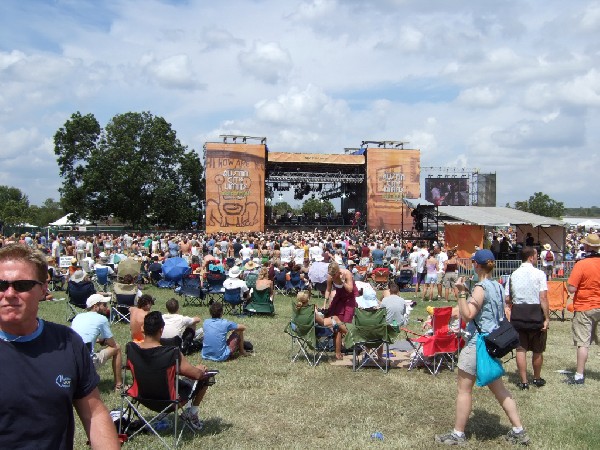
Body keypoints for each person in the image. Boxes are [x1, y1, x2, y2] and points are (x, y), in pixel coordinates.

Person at [0, 243, 119, 449]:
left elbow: (94, 413)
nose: (9, 293)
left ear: (43, 289)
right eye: (1, 285)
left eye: (22, 285)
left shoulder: (67, 342)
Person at [435, 249, 529, 446]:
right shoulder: (498, 286)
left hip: (477, 343)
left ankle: (458, 434)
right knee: (500, 389)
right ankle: (519, 430)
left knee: (464, 390)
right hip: (492, 343)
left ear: (476, 265)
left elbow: (468, 314)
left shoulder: (480, 287)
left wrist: (461, 293)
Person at [136, 311, 214, 431]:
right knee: (205, 375)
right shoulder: (171, 353)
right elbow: (196, 375)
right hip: (169, 401)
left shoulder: (133, 349)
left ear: (143, 329)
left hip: (141, 396)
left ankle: (165, 415)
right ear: (161, 330)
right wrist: (200, 369)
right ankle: (192, 413)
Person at [505, 247, 549, 390]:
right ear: (531, 257)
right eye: (536, 255)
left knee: (520, 349)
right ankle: (536, 378)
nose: (537, 258)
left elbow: (507, 298)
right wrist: (547, 318)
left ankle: (524, 382)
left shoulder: (513, 275)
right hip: (535, 314)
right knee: (537, 349)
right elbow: (543, 297)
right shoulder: (540, 274)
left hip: (518, 314)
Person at [566, 233, 600, 385]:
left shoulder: (582, 264)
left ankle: (579, 375)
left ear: (586, 247)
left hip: (585, 306)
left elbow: (572, 288)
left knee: (583, 343)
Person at [71, 293, 124, 391]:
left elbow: (80, 338)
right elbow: (112, 344)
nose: (106, 307)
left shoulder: (78, 317)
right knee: (117, 348)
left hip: (71, 361)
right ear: (95, 307)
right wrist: (104, 341)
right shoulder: (102, 319)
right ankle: (119, 385)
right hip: (86, 363)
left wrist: (98, 340)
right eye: (104, 305)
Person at [323, 261, 358, 360]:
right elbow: (328, 289)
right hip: (339, 298)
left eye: (334, 275)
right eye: (331, 275)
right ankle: (338, 351)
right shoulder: (330, 277)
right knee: (336, 322)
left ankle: (354, 340)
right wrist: (325, 303)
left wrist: (343, 282)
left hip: (349, 298)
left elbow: (350, 289)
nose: (332, 277)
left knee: (345, 323)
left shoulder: (347, 274)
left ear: (338, 272)